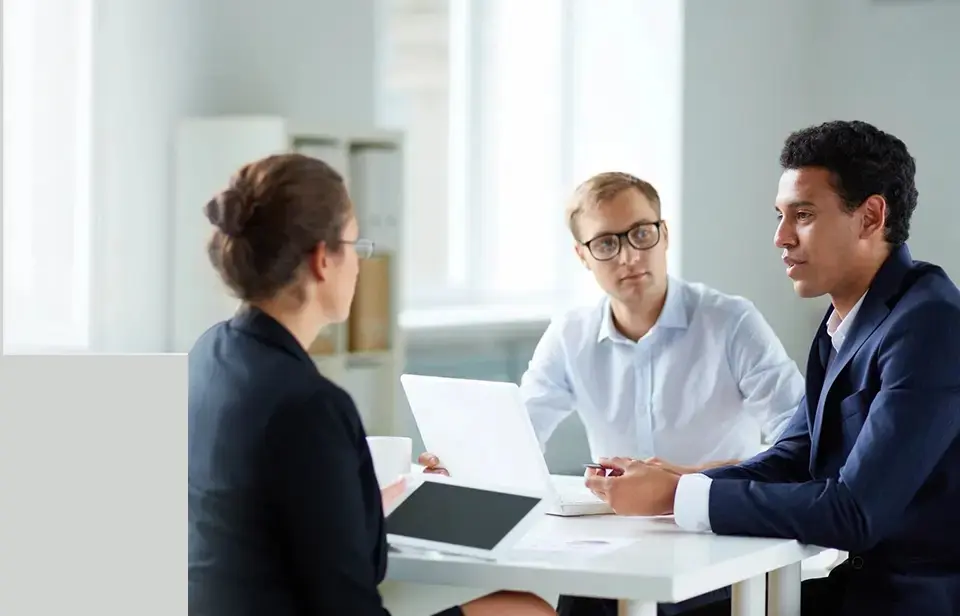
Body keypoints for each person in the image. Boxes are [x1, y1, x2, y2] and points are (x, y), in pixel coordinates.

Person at [581, 120, 960, 616]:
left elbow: (856, 511)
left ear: (870, 216)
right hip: (849, 588)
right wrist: (679, 482)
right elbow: (794, 456)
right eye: (780, 216)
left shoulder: (931, 324)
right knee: (601, 600)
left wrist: (676, 495)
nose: (780, 237)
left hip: (905, 602)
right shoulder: (845, 317)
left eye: (802, 215)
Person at [188, 153, 557, 616]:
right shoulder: (311, 405)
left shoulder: (209, 355)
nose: (360, 265)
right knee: (526, 609)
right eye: (355, 245)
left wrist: (357, 509)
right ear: (324, 259)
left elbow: (264, 519)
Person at [421, 172, 805, 615]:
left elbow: (800, 445)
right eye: (606, 244)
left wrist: (688, 479)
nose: (628, 256)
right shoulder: (571, 333)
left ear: (664, 234)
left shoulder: (731, 322)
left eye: (642, 233)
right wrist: (464, 464)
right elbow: (520, 434)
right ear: (582, 256)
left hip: (716, 546)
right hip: (610, 553)